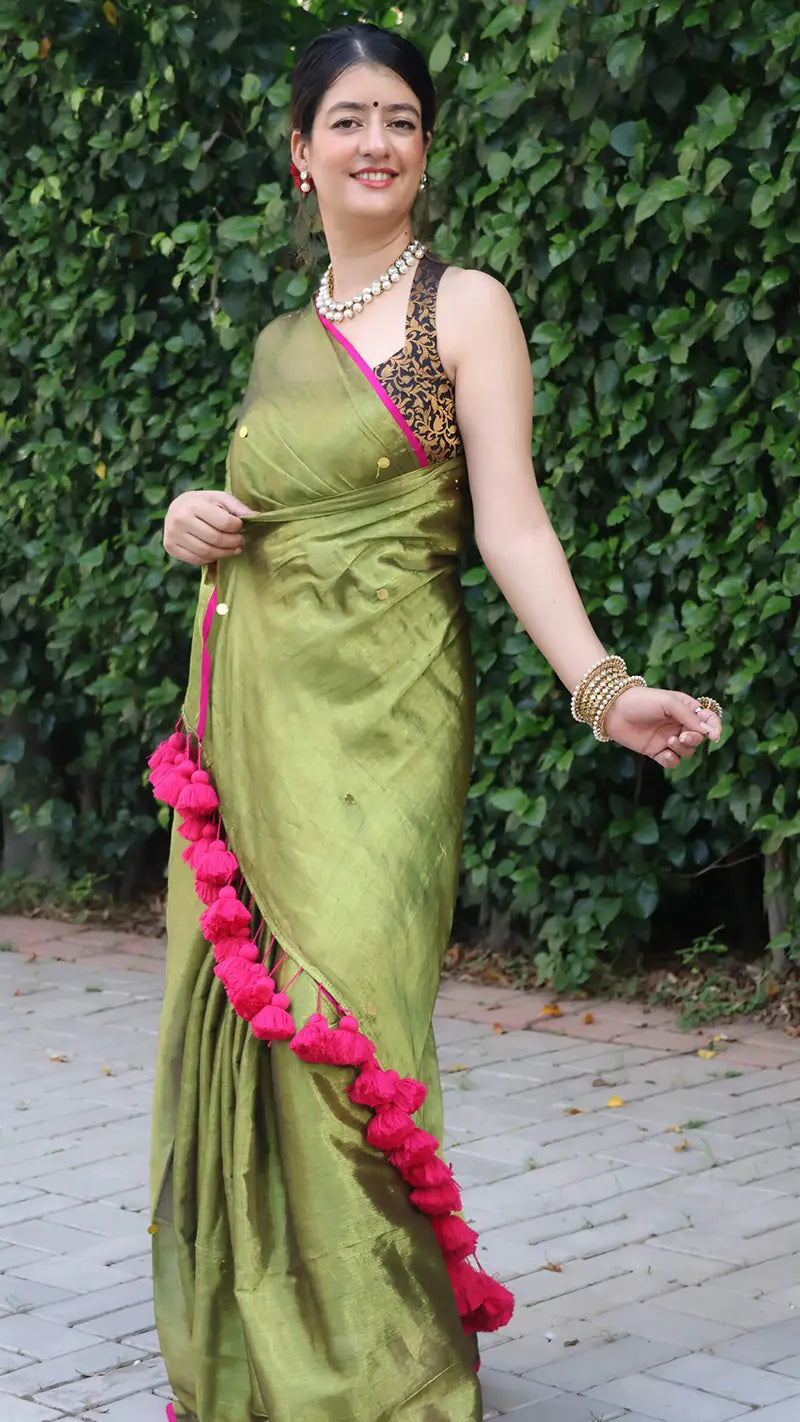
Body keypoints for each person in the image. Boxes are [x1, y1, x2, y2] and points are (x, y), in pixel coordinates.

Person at [149, 21, 723, 1422]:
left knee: (360, 1013)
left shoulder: (460, 309)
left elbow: (510, 521)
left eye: (400, 119)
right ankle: (263, 1353)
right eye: (347, 120)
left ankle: (387, 1366)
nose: (375, 143)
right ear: (301, 155)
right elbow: (258, 513)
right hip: (253, 705)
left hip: (392, 711)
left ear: (426, 150)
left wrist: (602, 686)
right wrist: (185, 521)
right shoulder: (283, 339)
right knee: (253, 1019)